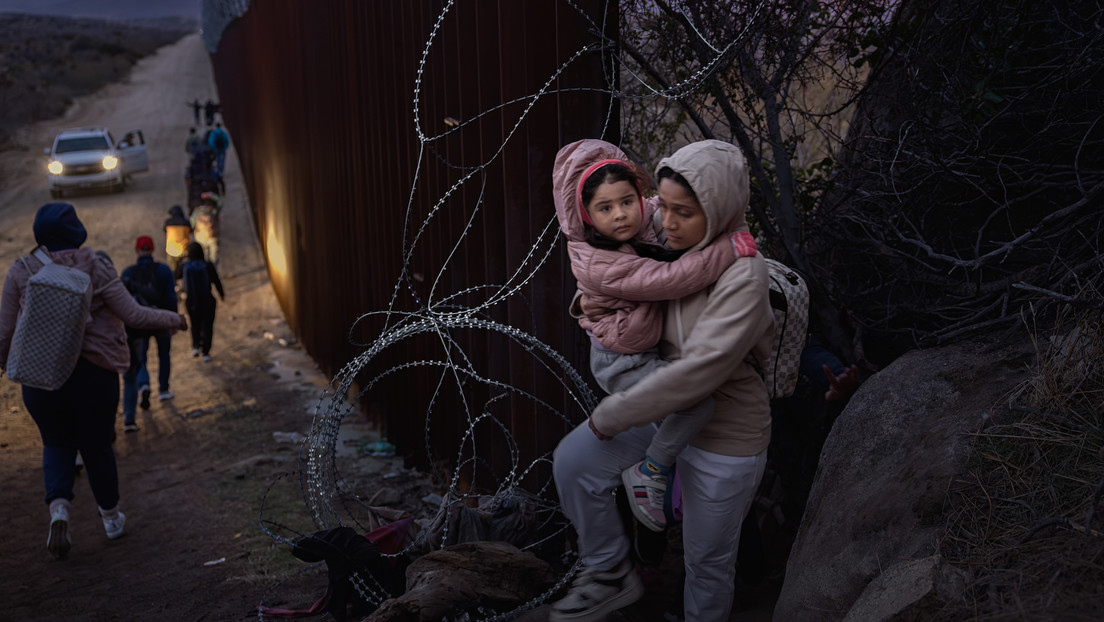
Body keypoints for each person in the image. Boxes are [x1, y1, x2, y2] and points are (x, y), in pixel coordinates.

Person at [551, 140, 774, 622]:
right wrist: (592, 305)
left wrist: (610, 414)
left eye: (683, 212)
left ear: (718, 210)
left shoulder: (743, 273)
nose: (665, 221)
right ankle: (609, 571)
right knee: (573, 462)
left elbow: (699, 372)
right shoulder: (659, 241)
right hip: (664, 414)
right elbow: (619, 273)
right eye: (664, 206)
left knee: (706, 565)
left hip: (723, 433)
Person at [0, 203, 188, 559]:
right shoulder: (95, 268)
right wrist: (173, 319)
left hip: (40, 378)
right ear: (77, 231)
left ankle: (59, 511)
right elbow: (133, 314)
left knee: (55, 443)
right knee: (97, 445)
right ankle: (111, 518)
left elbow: (4, 333)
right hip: (93, 375)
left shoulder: (21, 270)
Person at [119, 236, 179, 432]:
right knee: (164, 355)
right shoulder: (162, 270)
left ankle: (144, 384)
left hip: (139, 323)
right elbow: (171, 297)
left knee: (140, 358)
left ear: (137, 250)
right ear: (152, 249)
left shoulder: (128, 273)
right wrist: (173, 320)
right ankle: (163, 389)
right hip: (160, 320)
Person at [181, 242, 224, 362]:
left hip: (191, 301)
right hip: (207, 300)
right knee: (208, 326)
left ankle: (196, 346)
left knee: (194, 324)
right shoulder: (208, 265)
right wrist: (221, 294)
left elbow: (175, 276)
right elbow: (216, 280)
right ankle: (206, 352)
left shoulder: (185, 266)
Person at [191, 192, 222, 266]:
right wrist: (211, 195)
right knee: (213, 257)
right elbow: (220, 202)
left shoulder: (196, 212)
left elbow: (192, 223)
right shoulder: (212, 211)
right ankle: (213, 272)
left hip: (200, 237)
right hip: (212, 236)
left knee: (203, 257)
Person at [164, 205, 192, 278]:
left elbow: (164, 230)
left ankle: (174, 285)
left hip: (171, 250)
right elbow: (191, 230)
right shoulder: (186, 222)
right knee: (184, 270)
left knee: (172, 271)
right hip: (184, 250)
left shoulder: (168, 222)